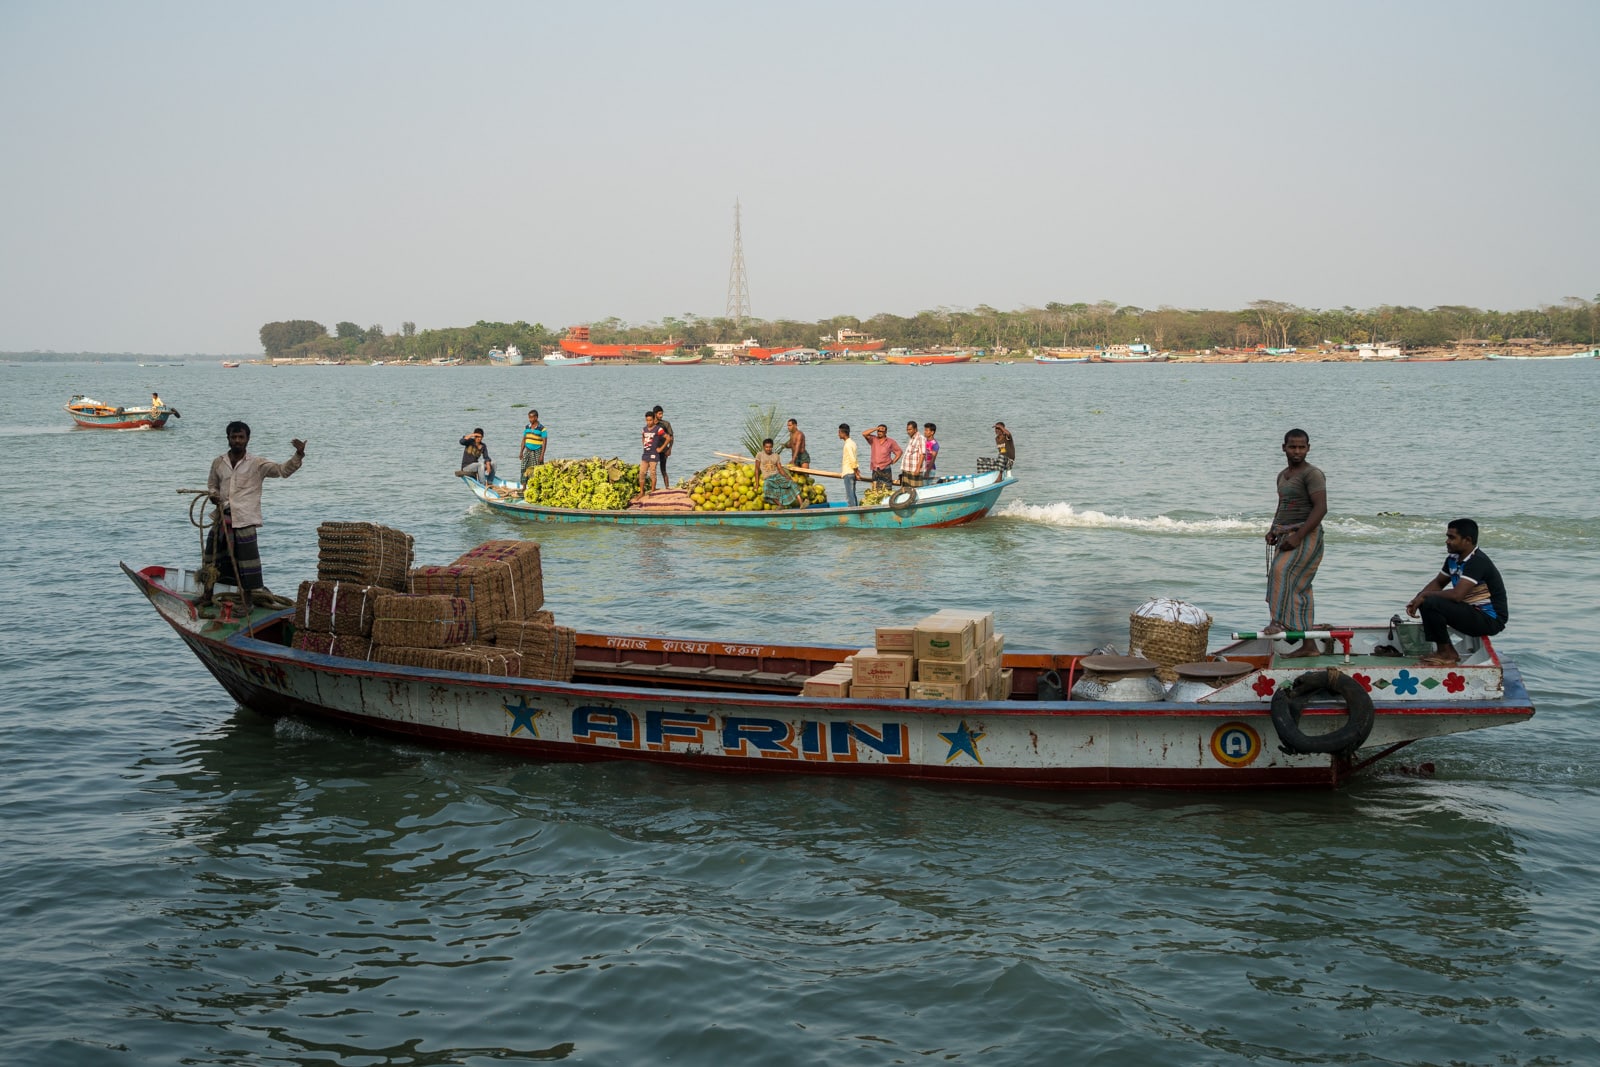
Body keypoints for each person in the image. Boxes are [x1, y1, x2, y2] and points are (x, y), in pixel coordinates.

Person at [201, 421, 306, 608]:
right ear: (228, 438)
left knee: (246, 564)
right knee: (212, 558)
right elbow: (212, 485)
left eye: (241, 437)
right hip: (222, 519)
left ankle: (247, 602)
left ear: (247, 439)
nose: (237, 440)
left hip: (245, 519)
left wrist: (298, 454)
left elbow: (283, 470)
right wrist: (213, 496)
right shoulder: (219, 462)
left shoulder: (257, 464)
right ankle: (207, 596)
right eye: (234, 437)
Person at [1405, 519, 1509, 666]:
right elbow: (1438, 583)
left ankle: (1447, 653)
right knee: (1427, 600)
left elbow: (1457, 595)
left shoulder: (1477, 561)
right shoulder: (1453, 558)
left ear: (1467, 540)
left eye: (1452, 537)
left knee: (1431, 601)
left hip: (1490, 620)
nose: (1447, 541)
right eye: (1447, 536)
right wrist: (1416, 599)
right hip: (1471, 611)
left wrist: (1425, 596)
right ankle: (1444, 650)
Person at [1263, 428, 1326, 657]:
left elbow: (1321, 508)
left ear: (1308, 448)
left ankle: (1279, 622)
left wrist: (1298, 537)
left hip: (1306, 534)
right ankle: (1309, 646)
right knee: (1301, 588)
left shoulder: (1313, 474)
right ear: (1284, 448)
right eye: (1292, 447)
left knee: (1281, 571)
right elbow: (1283, 506)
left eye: (1302, 447)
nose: (1297, 451)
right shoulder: (1283, 475)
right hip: (1285, 533)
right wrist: (1273, 531)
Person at [755, 438, 801, 508]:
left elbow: (780, 468)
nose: (768, 449)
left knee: (791, 483)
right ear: (763, 447)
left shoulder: (776, 455)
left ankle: (801, 502)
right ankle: (780, 504)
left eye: (770, 447)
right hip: (768, 478)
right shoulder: (759, 455)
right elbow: (757, 469)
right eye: (766, 447)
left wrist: (786, 476)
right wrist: (757, 484)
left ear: (772, 447)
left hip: (777, 476)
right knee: (766, 489)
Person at [639, 409, 667, 492]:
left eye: (650, 420)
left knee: (653, 473)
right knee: (642, 473)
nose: (649, 422)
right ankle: (641, 492)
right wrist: (644, 444)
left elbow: (668, 438)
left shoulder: (658, 429)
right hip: (645, 454)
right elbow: (643, 437)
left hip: (654, 454)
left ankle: (653, 490)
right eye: (647, 420)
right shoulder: (644, 429)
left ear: (654, 419)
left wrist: (661, 448)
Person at [521, 410, 548, 484]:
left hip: (537, 451)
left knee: (536, 469)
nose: (530, 419)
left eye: (531, 418)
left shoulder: (542, 429)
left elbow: (544, 442)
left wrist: (542, 455)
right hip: (527, 450)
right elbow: (524, 439)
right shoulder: (527, 427)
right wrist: (521, 452)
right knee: (524, 467)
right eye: (529, 418)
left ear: (536, 417)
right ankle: (524, 486)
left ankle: (535, 485)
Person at [838, 423, 861, 507]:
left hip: (849, 472)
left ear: (843, 433)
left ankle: (853, 512)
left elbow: (852, 459)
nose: (838, 434)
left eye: (839, 432)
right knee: (852, 494)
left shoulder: (848, 445)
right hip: (851, 471)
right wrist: (856, 470)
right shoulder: (852, 443)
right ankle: (855, 509)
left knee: (850, 495)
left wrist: (856, 472)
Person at [652, 405, 674, 487]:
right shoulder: (651, 424)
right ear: (655, 414)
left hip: (664, 450)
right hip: (653, 450)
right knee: (652, 469)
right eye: (659, 414)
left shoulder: (666, 424)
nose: (661, 416)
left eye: (662, 414)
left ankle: (667, 487)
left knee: (663, 469)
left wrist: (670, 449)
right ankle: (653, 488)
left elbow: (671, 437)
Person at [899, 420, 926, 486]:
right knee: (906, 489)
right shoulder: (912, 438)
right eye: (907, 429)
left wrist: (918, 469)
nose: (908, 431)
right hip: (907, 468)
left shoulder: (920, 438)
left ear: (915, 429)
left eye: (910, 429)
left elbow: (922, 454)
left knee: (915, 489)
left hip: (914, 469)